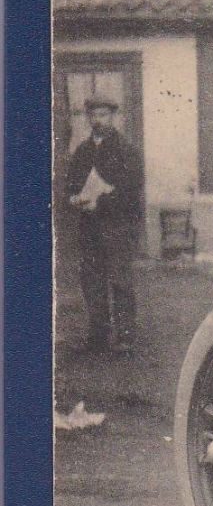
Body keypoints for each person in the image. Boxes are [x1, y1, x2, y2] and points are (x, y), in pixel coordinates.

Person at [62, 96, 142, 353]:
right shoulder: (82, 152)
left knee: (120, 281)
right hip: (90, 228)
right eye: (93, 116)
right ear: (88, 118)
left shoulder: (126, 150)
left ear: (113, 117)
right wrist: (73, 197)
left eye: (104, 115)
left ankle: (125, 337)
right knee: (92, 282)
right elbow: (72, 183)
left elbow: (131, 191)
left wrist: (103, 203)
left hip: (117, 226)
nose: (98, 121)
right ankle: (98, 336)